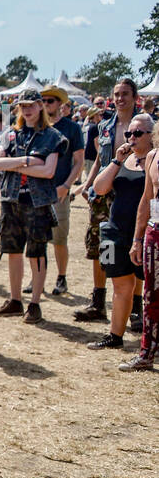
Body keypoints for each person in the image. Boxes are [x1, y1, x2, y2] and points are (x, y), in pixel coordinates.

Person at [0, 89, 64, 325]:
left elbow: (48, 171)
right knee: (12, 251)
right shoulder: (12, 134)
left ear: (41, 106)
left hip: (37, 201)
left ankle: (35, 303)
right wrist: (26, 162)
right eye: (23, 105)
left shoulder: (52, 136)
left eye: (31, 104)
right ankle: (15, 300)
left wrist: (14, 166)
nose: (27, 109)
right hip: (11, 199)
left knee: (37, 253)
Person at [75, 79, 140, 323]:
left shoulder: (145, 126)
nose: (120, 98)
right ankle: (99, 301)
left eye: (125, 94)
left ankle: (135, 306)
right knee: (102, 245)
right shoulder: (104, 126)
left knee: (134, 246)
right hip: (105, 192)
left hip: (133, 192)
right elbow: (102, 161)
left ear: (135, 97)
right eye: (116, 94)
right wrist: (89, 185)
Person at [86, 114, 152, 352]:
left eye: (138, 134)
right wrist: (116, 160)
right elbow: (99, 188)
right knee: (119, 285)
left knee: (149, 287)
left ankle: (150, 337)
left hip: (143, 233)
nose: (131, 138)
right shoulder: (123, 160)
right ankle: (115, 335)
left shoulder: (155, 161)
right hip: (114, 231)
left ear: (151, 136)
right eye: (129, 134)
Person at [119, 120, 159, 370]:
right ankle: (147, 353)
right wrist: (137, 239)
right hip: (155, 232)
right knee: (151, 295)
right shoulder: (153, 156)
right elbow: (146, 200)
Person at [39, 86, 85, 297]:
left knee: (59, 239)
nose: (46, 104)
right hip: (37, 191)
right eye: (44, 101)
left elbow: (79, 162)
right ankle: (36, 277)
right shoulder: (37, 127)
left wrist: (66, 186)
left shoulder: (72, 128)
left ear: (60, 104)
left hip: (59, 191)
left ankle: (61, 277)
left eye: (50, 101)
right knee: (36, 239)